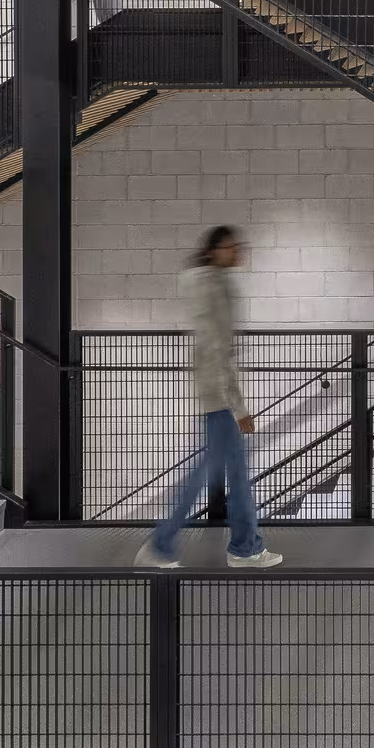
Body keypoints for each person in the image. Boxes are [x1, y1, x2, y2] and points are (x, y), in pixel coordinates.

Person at [140, 226, 283, 568]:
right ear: (212, 251)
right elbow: (219, 348)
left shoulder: (211, 283)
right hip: (219, 399)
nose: (237, 252)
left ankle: (245, 547)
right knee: (205, 473)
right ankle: (163, 543)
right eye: (230, 247)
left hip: (214, 394)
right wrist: (238, 406)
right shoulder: (212, 287)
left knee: (232, 474)